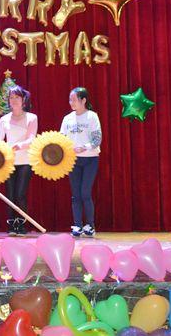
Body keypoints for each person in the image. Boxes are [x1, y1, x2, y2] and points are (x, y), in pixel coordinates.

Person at [0, 86, 37, 236]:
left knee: (20, 194)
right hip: (9, 162)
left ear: (23, 100)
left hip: (25, 161)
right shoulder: (4, 119)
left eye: (17, 97)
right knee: (10, 195)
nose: (14, 100)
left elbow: (32, 139)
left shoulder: (31, 118)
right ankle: (12, 224)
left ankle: (21, 224)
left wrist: (19, 145)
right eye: (11, 97)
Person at [61, 87, 102, 238]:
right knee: (76, 194)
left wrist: (84, 147)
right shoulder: (67, 119)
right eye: (70, 99)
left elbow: (97, 139)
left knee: (85, 192)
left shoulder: (92, 116)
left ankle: (90, 225)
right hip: (73, 160)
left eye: (74, 99)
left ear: (83, 100)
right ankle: (77, 225)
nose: (71, 102)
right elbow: (61, 138)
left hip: (90, 159)